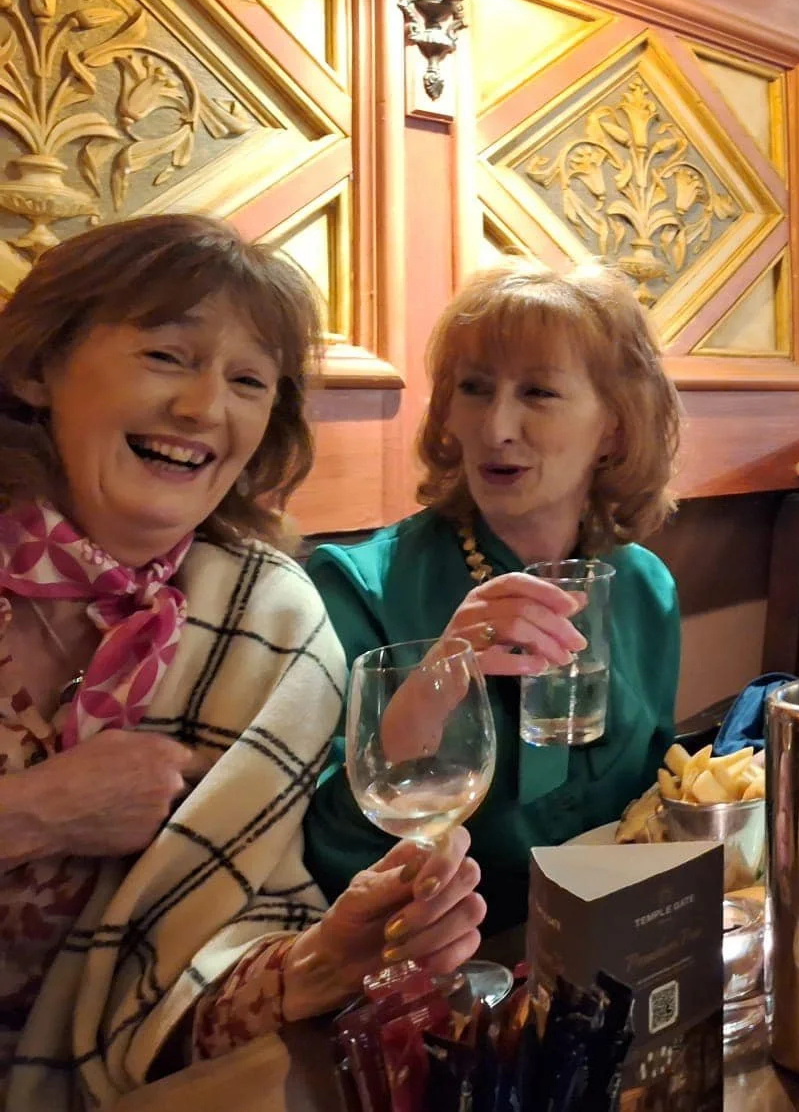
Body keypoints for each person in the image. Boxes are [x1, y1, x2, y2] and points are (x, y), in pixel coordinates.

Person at [0, 215, 482, 1109]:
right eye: (168, 357)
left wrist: (317, 962)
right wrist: (34, 813)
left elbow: (187, 989)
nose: (204, 409)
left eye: (249, 380)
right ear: (38, 369)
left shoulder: (273, 620)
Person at [303, 264, 683, 929]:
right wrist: (439, 679)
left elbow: (650, 806)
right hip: (430, 960)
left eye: (537, 392)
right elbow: (328, 851)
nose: (497, 426)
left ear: (615, 429)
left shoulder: (644, 587)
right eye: (474, 389)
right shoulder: (357, 585)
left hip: (609, 946)